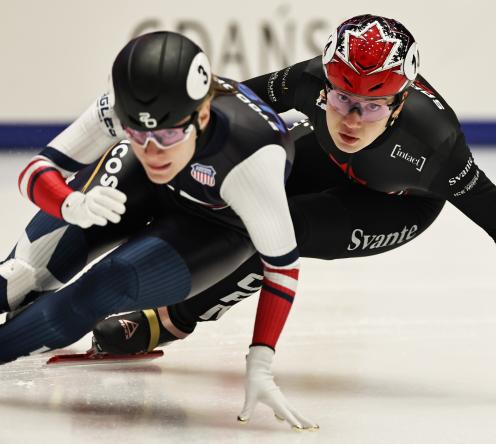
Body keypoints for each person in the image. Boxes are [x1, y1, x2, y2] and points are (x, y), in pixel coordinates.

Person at [91, 15, 496, 405]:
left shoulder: (436, 145)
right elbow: (230, 105)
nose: (351, 118)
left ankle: (173, 320)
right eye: (342, 97)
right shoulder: (309, 82)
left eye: (371, 106)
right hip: (326, 157)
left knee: (284, 230)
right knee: (248, 180)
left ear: (400, 103)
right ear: (326, 83)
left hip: (394, 206)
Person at [0, 31, 318, 430]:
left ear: (202, 116)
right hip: (148, 186)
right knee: (20, 272)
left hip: (216, 224)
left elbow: (283, 268)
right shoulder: (124, 108)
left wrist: (261, 363)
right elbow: (38, 170)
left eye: (168, 135)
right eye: (137, 133)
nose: (153, 151)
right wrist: (70, 203)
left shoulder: (254, 158)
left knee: (101, 289)